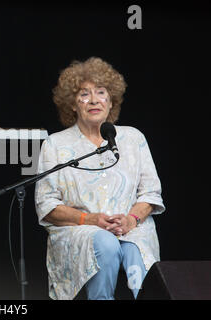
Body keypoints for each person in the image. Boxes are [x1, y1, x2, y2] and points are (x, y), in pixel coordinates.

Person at [35, 57, 165, 300]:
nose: (94, 100)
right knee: (106, 243)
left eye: (101, 92)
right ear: (73, 104)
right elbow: (47, 205)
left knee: (135, 248)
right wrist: (90, 219)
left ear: (111, 100)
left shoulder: (133, 138)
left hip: (131, 227)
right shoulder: (55, 144)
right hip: (80, 230)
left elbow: (150, 193)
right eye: (84, 94)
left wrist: (131, 219)